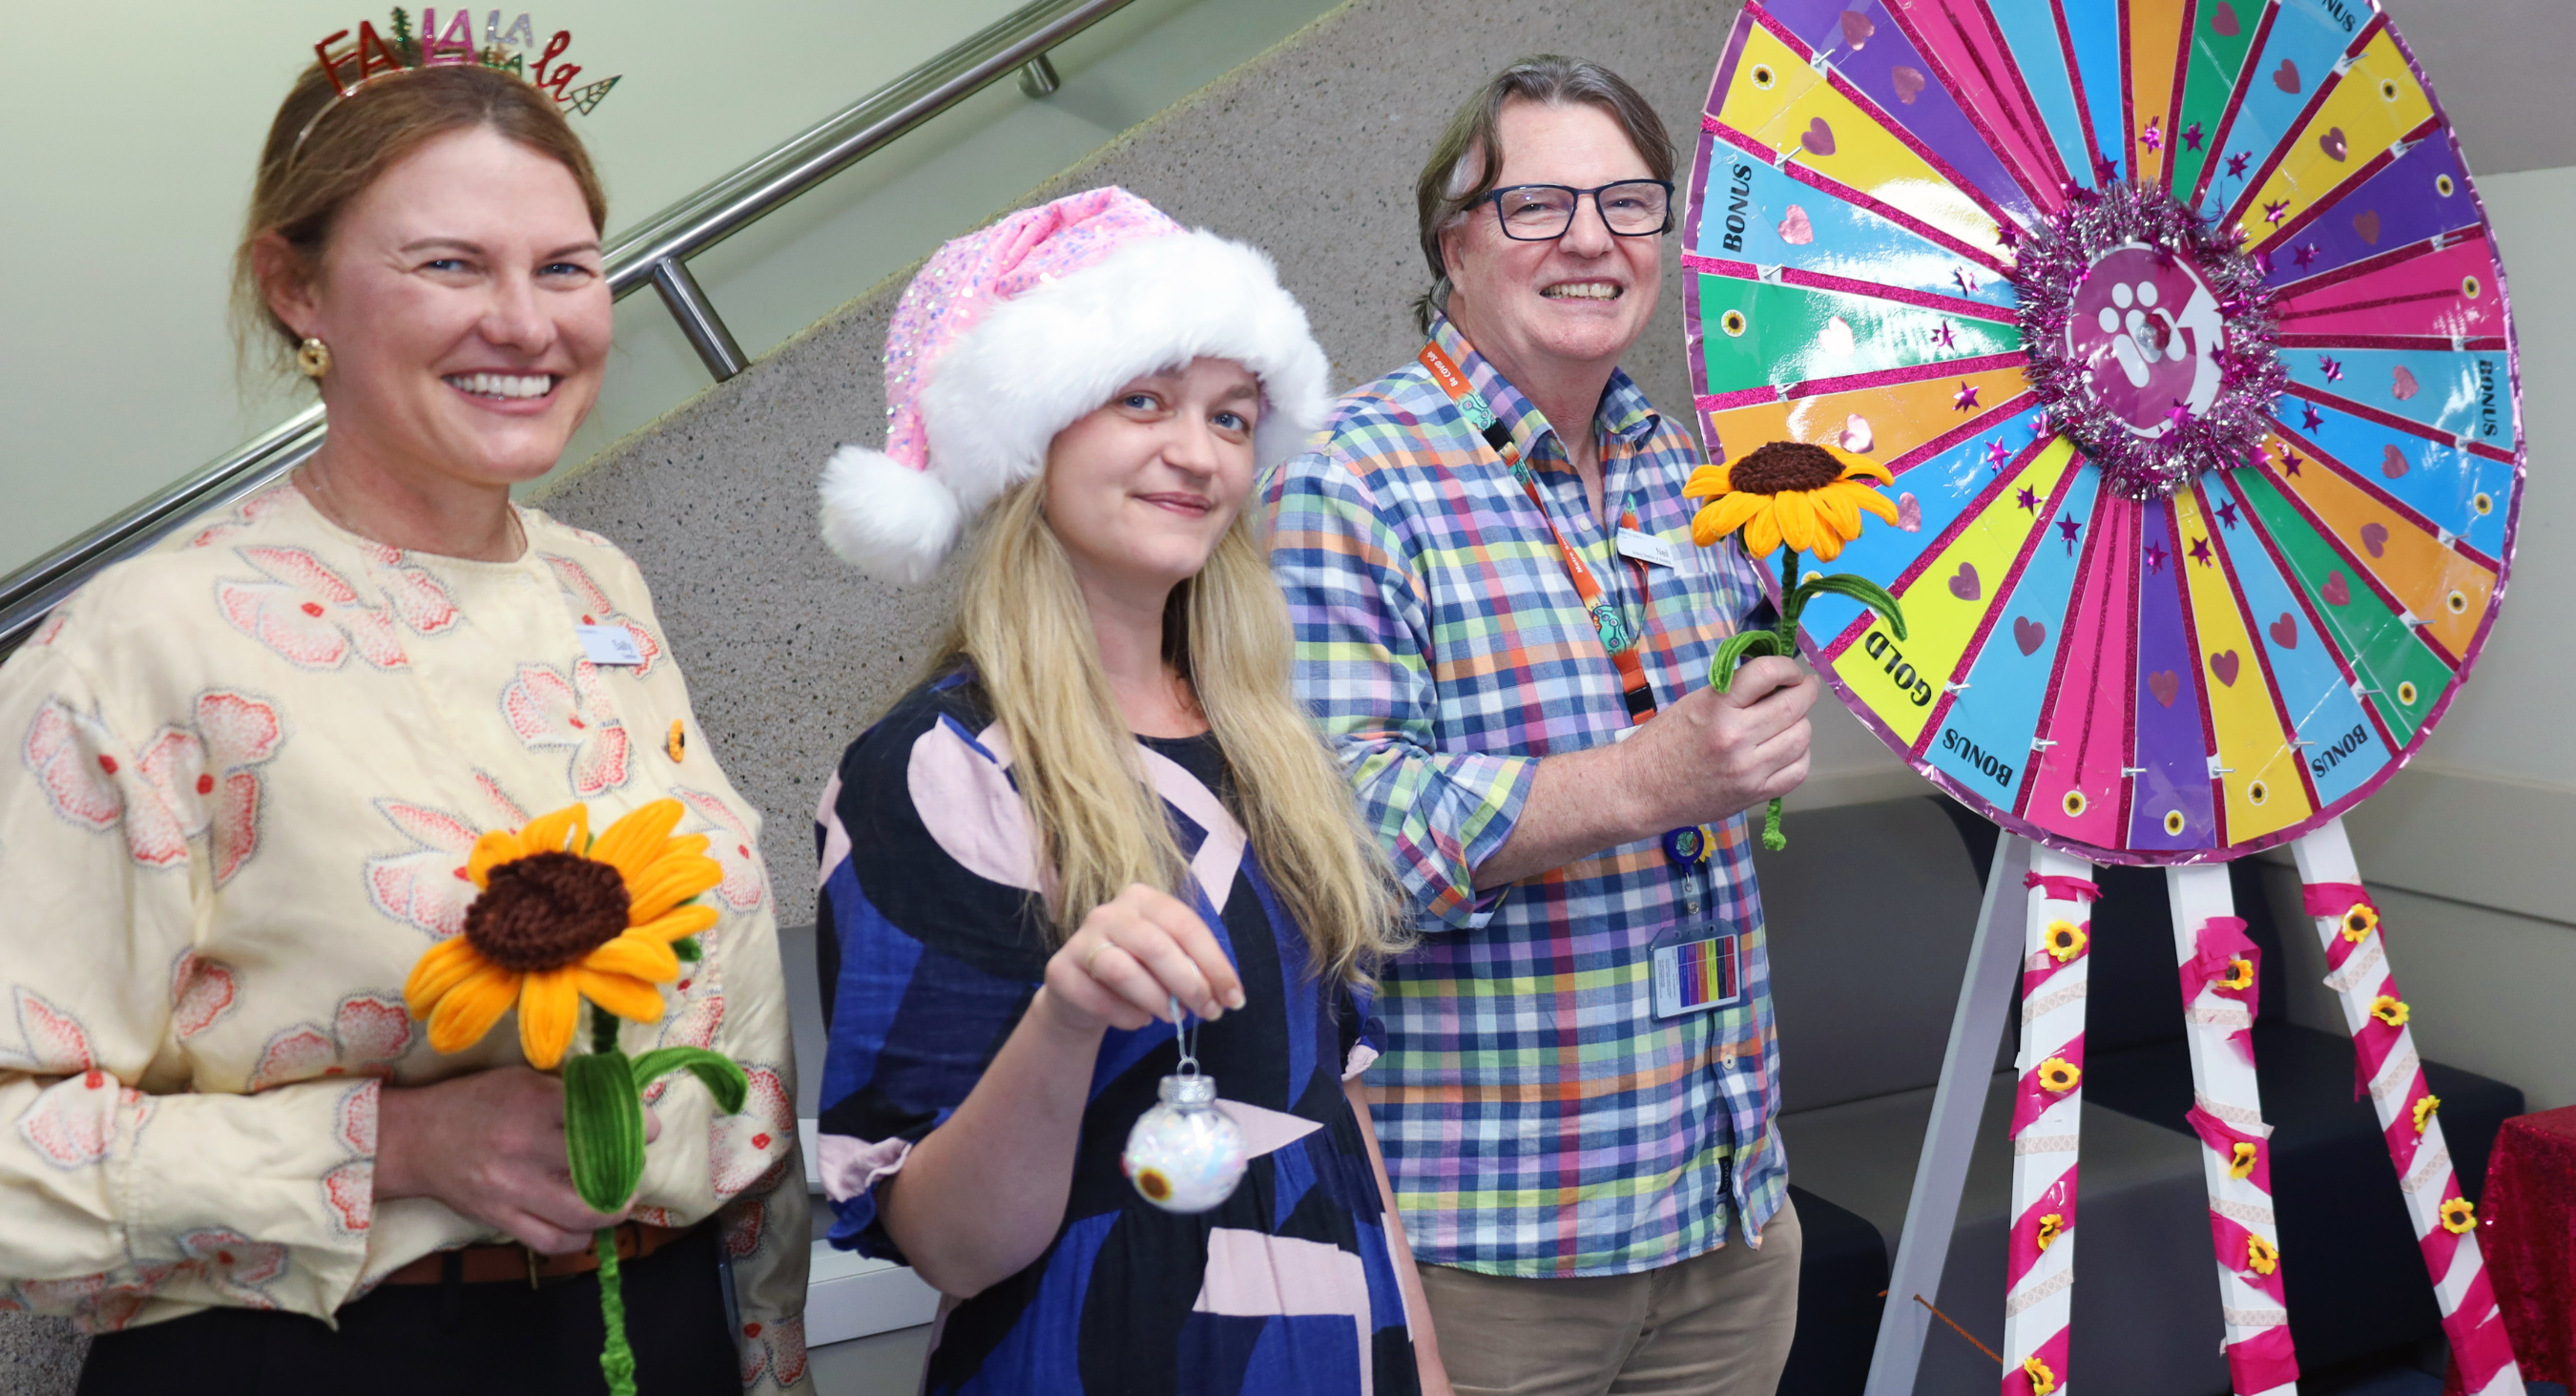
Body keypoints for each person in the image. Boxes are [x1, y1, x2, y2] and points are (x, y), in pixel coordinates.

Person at [0, 51, 811, 1395]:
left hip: (652, 1327)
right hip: (333, 1352)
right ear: (296, 286)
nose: (527, 321)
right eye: (450, 265)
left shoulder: (598, 584)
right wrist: (392, 1144)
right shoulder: (145, 643)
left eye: (564, 266)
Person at [811, 187, 1445, 1396]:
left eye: (1231, 416)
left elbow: (1333, 1117)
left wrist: (1425, 1369)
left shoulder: (1268, 742)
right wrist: (1066, 1014)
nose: (1199, 453)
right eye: (1141, 398)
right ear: (1027, 439)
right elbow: (947, 1242)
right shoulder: (934, 772)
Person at [1264, 57, 1820, 1394]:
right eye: (1537, 205)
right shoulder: (1341, 480)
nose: (1590, 238)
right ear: (1452, 243)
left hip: (1731, 1213)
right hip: (1496, 1257)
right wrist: (1645, 776)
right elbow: (1334, 842)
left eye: (1630, 201)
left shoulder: (1699, 472)